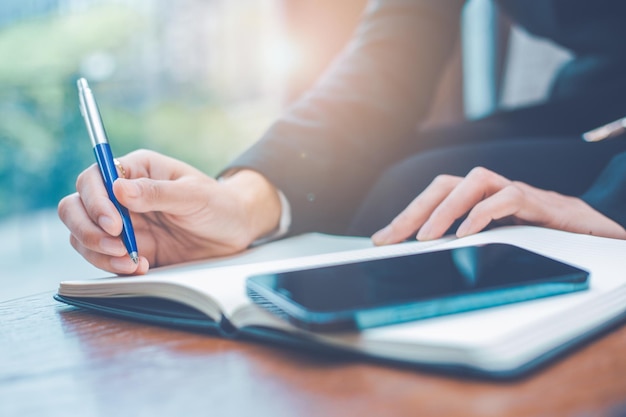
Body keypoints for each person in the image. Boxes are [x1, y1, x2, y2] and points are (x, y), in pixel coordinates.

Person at [58, 0, 626, 275]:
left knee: (430, 199)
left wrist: (612, 206)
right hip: (597, 97)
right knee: (404, 190)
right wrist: (243, 204)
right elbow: (389, 60)